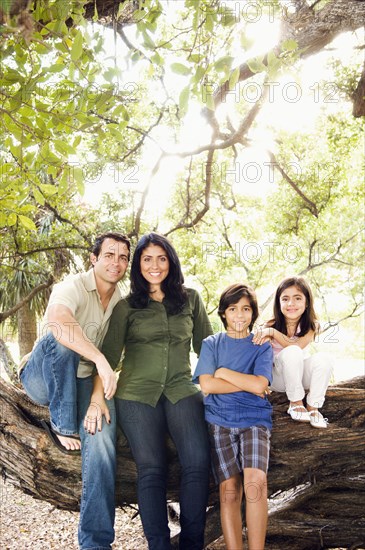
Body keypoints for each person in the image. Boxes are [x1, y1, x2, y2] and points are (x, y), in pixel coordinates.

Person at [97, 232, 213, 550]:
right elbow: (106, 358)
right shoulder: (126, 306)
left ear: (171, 262)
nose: (155, 265)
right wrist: (97, 398)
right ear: (138, 265)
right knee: (151, 467)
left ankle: (192, 543)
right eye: (147, 259)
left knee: (198, 462)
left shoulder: (191, 299)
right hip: (136, 395)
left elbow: (209, 349)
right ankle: (158, 545)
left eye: (161, 258)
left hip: (181, 389)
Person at [19, 231, 131, 549]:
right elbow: (57, 319)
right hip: (43, 375)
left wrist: (98, 398)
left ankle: (95, 542)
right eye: (109, 254)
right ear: (93, 259)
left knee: (102, 440)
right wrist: (97, 358)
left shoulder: (122, 303)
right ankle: (63, 422)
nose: (117, 262)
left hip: (84, 381)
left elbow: (114, 356)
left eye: (123, 256)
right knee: (63, 336)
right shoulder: (74, 285)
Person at [192, 283, 273, 550]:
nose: (240, 315)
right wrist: (249, 383)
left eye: (246, 309)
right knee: (229, 490)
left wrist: (224, 373)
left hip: (254, 420)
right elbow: (207, 386)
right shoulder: (211, 343)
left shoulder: (261, 344)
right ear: (224, 313)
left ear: (253, 313)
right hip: (219, 420)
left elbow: (261, 385)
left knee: (255, 483)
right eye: (233, 308)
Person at [253, 276, 333, 429]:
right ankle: (295, 403)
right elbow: (257, 355)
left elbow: (298, 345)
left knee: (325, 358)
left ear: (307, 302)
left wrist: (273, 333)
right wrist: (259, 381)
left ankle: (313, 407)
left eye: (297, 298)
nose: (291, 304)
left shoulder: (312, 326)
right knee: (292, 352)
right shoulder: (270, 325)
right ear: (279, 302)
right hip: (277, 378)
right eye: (285, 299)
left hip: (297, 377)